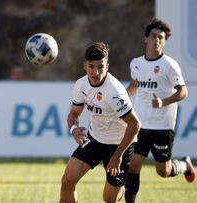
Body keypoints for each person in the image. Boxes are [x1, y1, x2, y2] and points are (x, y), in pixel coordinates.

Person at [124, 18, 195, 203]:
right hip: (140, 124)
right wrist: (121, 98)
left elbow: (183, 91)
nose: (157, 40)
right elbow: (136, 84)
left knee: (162, 171)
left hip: (163, 126)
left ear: (164, 42)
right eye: (153, 36)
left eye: (161, 38)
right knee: (133, 166)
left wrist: (163, 102)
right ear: (145, 39)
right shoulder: (136, 63)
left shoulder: (169, 65)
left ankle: (185, 165)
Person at [59, 42, 141, 203]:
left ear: (107, 66)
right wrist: (73, 129)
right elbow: (73, 114)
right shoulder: (81, 85)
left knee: (109, 199)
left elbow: (135, 125)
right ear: (85, 65)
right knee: (67, 181)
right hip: (94, 139)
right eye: (91, 66)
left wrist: (117, 156)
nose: (96, 72)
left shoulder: (115, 92)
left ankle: (120, 187)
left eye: (100, 67)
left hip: (119, 146)